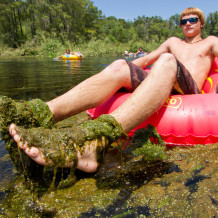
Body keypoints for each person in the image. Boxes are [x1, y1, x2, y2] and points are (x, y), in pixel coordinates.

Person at [2, 7, 218, 173]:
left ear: (201, 23)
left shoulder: (210, 42)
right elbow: (145, 60)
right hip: (163, 80)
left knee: (168, 60)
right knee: (119, 65)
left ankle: (98, 142)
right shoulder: (172, 41)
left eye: (193, 20)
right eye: (183, 21)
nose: (188, 23)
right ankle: (40, 114)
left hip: (189, 92)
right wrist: (125, 69)